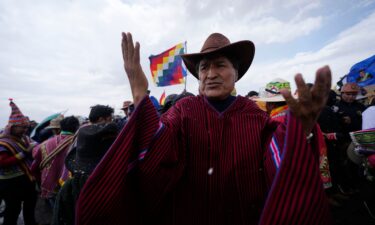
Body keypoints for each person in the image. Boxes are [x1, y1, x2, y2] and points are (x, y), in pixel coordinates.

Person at [76, 32, 332, 225]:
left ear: (236, 72)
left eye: (220, 65)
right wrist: (140, 93)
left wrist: (301, 131)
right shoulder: (184, 110)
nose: (210, 74)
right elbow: (156, 146)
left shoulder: (256, 116)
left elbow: (280, 162)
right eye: (203, 67)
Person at [53, 105, 119, 225]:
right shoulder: (121, 183)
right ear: (100, 119)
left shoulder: (69, 188)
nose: (111, 121)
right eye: (109, 118)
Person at [0, 100, 37, 225]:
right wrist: (25, 153)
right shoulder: (4, 142)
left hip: (27, 177)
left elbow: (34, 145)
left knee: (30, 204)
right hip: (10, 182)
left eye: (27, 127)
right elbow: (3, 162)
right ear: (13, 127)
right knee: (13, 209)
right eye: (23, 127)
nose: (25, 130)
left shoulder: (24, 138)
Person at [31, 116, 80, 207]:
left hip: (51, 184)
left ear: (59, 129)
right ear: (77, 127)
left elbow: (35, 165)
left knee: (56, 210)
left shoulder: (44, 144)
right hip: (73, 185)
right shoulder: (80, 142)